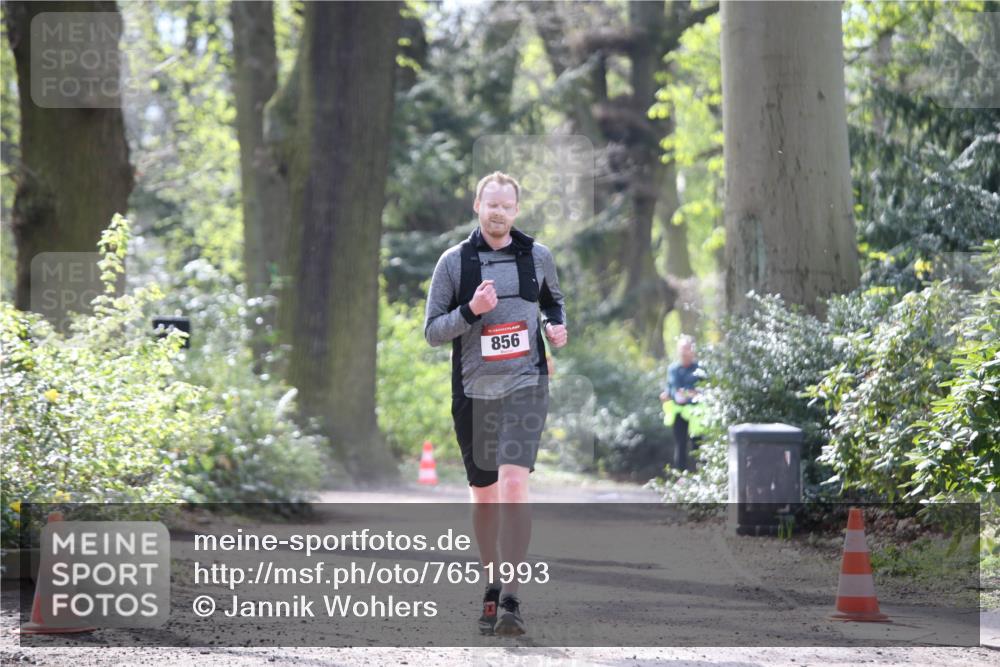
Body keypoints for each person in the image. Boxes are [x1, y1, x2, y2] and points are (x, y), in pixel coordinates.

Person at [423, 171, 567, 637]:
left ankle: (511, 596)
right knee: (484, 496)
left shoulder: (537, 257)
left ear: (516, 210)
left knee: (513, 485)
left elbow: (554, 303)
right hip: (473, 391)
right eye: (492, 204)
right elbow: (431, 332)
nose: (499, 211)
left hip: (526, 384)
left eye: (507, 205)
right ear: (477, 207)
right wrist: (471, 312)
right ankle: (490, 580)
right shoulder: (455, 263)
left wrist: (555, 327)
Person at [660, 335, 705, 471]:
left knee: (697, 444)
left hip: (696, 412)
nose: (685, 352)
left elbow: (702, 389)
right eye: (682, 349)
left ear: (693, 350)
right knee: (680, 444)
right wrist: (667, 394)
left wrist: (689, 394)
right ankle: (680, 477)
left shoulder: (700, 368)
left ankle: (702, 475)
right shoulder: (673, 369)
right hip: (678, 411)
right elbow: (671, 387)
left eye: (687, 348)